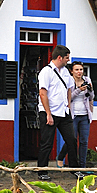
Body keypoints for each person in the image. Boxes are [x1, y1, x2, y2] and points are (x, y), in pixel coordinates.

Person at [37, 45, 80, 179]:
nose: (69, 60)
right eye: (67, 57)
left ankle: (74, 169)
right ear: (60, 57)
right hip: (49, 113)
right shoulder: (46, 72)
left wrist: (68, 105)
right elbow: (43, 93)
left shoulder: (66, 72)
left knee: (71, 140)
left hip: (63, 112)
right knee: (47, 142)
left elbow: (68, 89)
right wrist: (48, 113)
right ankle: (42, 171)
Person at [57, 62, 94, 177]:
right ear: (71, 71)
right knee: (72, 139)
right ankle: (61, 156)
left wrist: (90, 90)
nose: (79, 72)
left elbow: (92, 97)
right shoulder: (69, 81)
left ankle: (82, 167)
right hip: (72, 115)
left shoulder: (87, 80)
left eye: (81, 69)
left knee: (84, 141)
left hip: (85, 115)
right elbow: (68, 97)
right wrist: (78, 90)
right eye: (77, 69)